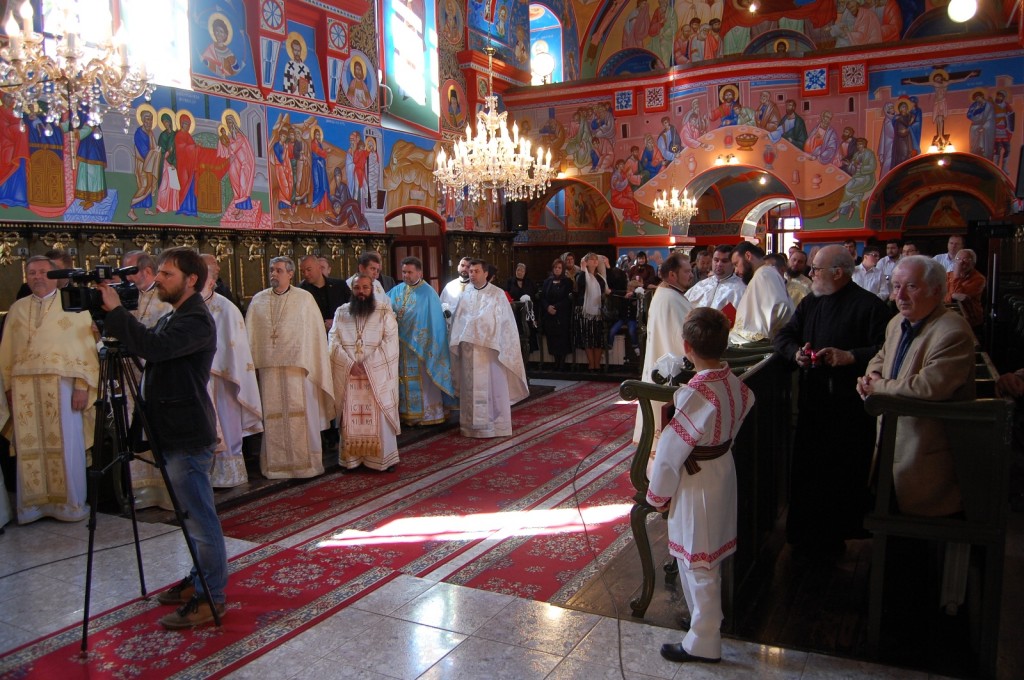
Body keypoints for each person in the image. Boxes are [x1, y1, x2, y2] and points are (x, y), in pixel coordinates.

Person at [99, 247, 228, 629]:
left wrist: (116, 314)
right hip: (173, 430)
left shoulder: (196, 321)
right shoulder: (175, 317)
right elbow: (144, 349)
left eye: (167, 274)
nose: (158, 280)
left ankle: (212, 598)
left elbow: (153, 348)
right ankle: (198, 579)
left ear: (191, 280)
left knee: (201, 520)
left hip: (187, 434)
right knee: (190, 516)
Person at [649, 307, 755, 665]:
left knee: (698, 560)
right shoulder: (733, 382)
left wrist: (658, 494)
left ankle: (704, 639)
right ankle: (704, 623)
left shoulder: (697, 392)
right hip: (723, 470)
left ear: (687, 346)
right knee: (709, 556)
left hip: (698, 481)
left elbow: (669, 454)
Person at [774, 245, 890, 560]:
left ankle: (836, 538)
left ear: (838, 273)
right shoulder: (812, 302)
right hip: (813, 404)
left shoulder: (869, 306)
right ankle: (803, 536)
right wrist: (796, 353)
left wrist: (851, 356)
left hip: (849, 408)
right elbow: (784, 336)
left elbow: (886, 349)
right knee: (809, 473)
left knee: (840, 474)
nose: (810, 274)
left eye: (816, 269)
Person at [857, 255, 976, 517]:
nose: (900, 295)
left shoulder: (952, 330)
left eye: (911, 286)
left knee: (921, 536)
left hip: (926, 452)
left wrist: (879, 387)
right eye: (896, 285)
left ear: (936, 289)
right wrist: (870, 377)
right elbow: (880, 357)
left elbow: (929, 386)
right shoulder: (897, 323)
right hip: (891, 445)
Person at [0, 256, 98, 524]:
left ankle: (70, 505)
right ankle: (34, 507)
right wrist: (8, 388)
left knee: (67, 445)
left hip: (64, 388)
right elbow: (6, 353)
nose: (37, 277)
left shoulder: (74, 307)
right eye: (31, 273)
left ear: (55, 276)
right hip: (25, 392)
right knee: (30, 447)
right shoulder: (17, 309)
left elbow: (86, 350)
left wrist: (82, 386)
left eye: (43, 272)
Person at [246, 257, 334, 479]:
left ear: (290, 274)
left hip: (300, 368)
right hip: (270, 370)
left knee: (301, 414)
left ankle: (306, 464)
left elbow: (314, 336)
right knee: (273, 416)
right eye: (271, 270)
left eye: (278, 270)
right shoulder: (258, 301)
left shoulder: (304, 299)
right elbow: (251, 336)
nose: (273, 274)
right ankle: (276, 465)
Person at [197, 265, 263, 488]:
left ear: (212, 282)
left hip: (223, 380)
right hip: (197, 380)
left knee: (225, 422)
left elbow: (235, 349)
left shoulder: (226, 308)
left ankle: (228, 474)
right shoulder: (186, 307)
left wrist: (216, 366)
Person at [449, 259, 529, 438]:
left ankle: (495, 425)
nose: (472, 274)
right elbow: (458, 321)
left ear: (486, 274)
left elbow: (506, 324)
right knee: (470, 387)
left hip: (491, 352)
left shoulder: (498, 294)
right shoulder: (465, 295)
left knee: (493, 387)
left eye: (476, 271)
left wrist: (490, 336)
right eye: (470, 271)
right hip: (470, 350)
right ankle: (471, 427)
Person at [329, 274, 401, 470]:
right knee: (351, 416)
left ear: (372, 289)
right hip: (350, 374)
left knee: (379, 416)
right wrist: (348, 363)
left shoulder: (384, 311)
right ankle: (353, 460)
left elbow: (391, 341)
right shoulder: (341, 312)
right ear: (352, 289)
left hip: (376, 376)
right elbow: (333, 340)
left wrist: (368, 365)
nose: (361, 291)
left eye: (365, 287)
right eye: (357, 287)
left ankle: (381, 460)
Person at [121, 250, 175, 510]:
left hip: (156, 378)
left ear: (147, 271)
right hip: (129, 376)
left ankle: (167, 493)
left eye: (129, 271)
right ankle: (140, 492)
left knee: (158, 432)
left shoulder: (166, 301)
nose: (126, 277)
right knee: (133, 434)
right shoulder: (125, 298)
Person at [387, 256, 456, 426]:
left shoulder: (428, 293)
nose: (406, 275)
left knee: (423, 382)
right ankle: (406, 414)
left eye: (410, 272)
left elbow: (434, 324)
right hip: (401, 347)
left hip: (422, 349)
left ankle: (428, 414)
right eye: (403, 272)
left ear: (419, 272)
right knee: (403, 381)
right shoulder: (396, 290)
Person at [634, 253, 694, 443]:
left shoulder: (665, 293)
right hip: (670, 375)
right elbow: (683, 339)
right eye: (687, 271)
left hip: (660, 370)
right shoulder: (670, 299)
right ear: (672, 275)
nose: (691, 275)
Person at [729, 242, 794, 344]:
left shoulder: (764, 275)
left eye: (736, 264)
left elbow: (780, 307)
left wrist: (761, 335)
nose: (736, 271)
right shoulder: (763, 273)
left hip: (763, 345)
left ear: (748, 256)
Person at [574, 253, 610, 371]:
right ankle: (591, 364)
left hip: (598, 312)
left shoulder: (600, 277)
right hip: (586, 312)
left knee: (598, 339)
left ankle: (597, 364)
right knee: (588, 338)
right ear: (586, 262)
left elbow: (605, 290)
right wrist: (583, 269)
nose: (595, 261)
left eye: (596, 259)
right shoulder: (582, 274)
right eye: (592, 259)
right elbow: (580, 285)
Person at [298, 253, 351, 332]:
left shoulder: (339, 286)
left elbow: (352, 307)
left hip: (341, 333)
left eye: (309, 270)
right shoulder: (301, 291)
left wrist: (337, 321)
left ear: (319, 267)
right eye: (302, 271)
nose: (306, 274)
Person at [684, 245, 745, 313]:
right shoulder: (700, 286)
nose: (719, 264)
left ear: (732, 264)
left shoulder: (741, 290)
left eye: (724, 261)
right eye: (716, 260)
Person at [540, 258, 574, 370]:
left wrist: (556, 307)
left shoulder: (567, 282)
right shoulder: (547, 282)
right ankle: (555, 362)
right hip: (549, 315)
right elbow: (543, 297)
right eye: (555, 267)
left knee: (562, 339)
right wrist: (548, 307)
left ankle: (562, 363)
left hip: (562, 314)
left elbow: (567, 299)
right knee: (552, 339)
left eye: (559, 268)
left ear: (562, 269)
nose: (557, 269)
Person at [944, 248, 986, 330]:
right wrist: (952, 296)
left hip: (970, 319)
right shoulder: (947, 275)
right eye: (958, 259)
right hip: (949, 316)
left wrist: (956, 275)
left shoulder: (979, 279)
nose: (961, 262)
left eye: (966, 259)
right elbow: (940, 296)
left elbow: (962, 297)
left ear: (973, 263)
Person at [441, 256, 472, 322]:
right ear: (458, 267)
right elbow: (442, 303)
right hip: (451, 323)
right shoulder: (449, 286)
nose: (464, 268)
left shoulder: (475, 287)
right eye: (462, 265)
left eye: (468, 267)